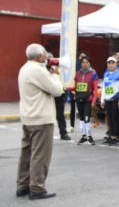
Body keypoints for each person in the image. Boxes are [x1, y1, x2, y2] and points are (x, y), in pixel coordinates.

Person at [16, 44, 63, 200]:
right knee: (40, 155)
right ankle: (37, 188)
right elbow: (57, 90)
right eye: (44, 54)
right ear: (38, 56)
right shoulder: (38, 69)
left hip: (28, 117)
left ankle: (23, 185)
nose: (46, 56)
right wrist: (55, 74)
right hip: (41, 118)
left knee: (27, 153)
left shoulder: (25, 68)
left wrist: (48, 73)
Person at [74, 56, 99, 145]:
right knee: (81, 118)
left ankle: (89, 136)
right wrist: (71, 91)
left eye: (87, 62)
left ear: (90, 63)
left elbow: (95, 89)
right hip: (79, 98)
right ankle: (83, 135)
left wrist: (93, 101)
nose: (85, 64)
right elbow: (75, 86)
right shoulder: (77, 74)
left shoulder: (93, 73)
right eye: (83, 62)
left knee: (87, 117)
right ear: (80, 64)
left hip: (88, 99)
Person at [101, 56, 119, 145]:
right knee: (109, 117)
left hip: (115, 98)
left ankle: (115, 136)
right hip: (108, 99)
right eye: (109, 63)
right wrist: (103, 99)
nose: (111, 65)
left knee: (115, 117)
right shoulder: (106, 74)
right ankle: (111, 135)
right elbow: (104, 87)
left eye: (112, 63)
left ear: (116, 64)